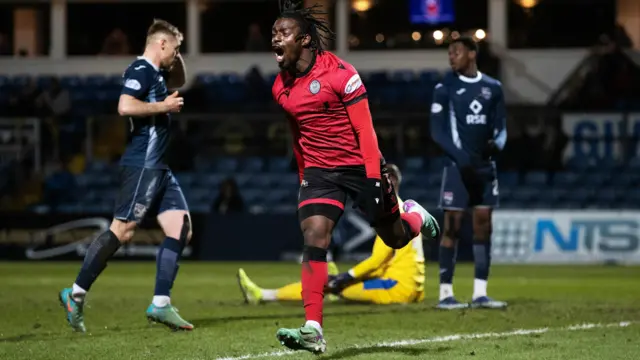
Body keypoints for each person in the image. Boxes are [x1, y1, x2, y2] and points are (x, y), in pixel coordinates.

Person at [270, 1, 440, 354]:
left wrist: (375, 176)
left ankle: (414, 215)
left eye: (282, 33)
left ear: (304, 40)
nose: (275, 39)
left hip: (361, 167)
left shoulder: (340, 74)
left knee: (394, 238)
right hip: (320, 172)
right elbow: (297, 133)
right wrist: (304, 174)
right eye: (273, 33)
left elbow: (365, 129)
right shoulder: (280, 87)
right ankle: (313, 327)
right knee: (315, 235)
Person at [58, 19, 193, 332]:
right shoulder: (140, 70)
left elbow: (182, 78)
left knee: (181, 228)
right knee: (123, 230)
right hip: (143, 164)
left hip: (160, 168)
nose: (176, 54)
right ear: (160, 44)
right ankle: (75, 294)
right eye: (174, 48)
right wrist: (164, 106)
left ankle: (160, 304)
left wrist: (175, 49)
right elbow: (124, 106)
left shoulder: (158, 71)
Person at [237, 164, 426, 306]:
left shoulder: (392, 214)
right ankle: (271, 294)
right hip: (411, 286)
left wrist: (346, 277)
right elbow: (388, 262)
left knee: (331, 287)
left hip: (396, 288)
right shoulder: (404, 209)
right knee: (337, 282)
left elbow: (378, 260)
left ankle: (265, 295)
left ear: (389, 181)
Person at [429, 36, 508, 310]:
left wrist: (497, 145)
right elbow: (437, 132)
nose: (451, 57)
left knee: (483, 226)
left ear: (472, 54)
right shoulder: (444, 87)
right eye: (449, 53)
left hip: (486, 168)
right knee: (451, 227)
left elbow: (502, 128)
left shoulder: (493, 88)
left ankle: (480, 294)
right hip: (457, 168)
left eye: (457, 52)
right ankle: (445, 294)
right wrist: (461, 158)